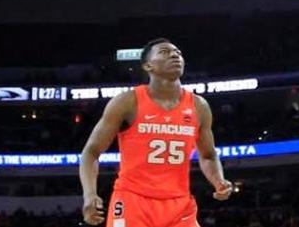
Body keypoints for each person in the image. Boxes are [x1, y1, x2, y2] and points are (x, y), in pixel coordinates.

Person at [79, 38, 234, 226]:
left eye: (178, 52)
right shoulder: (127, 102)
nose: (175, 55)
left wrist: (218, 180)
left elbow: (208, 155)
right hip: (133, 200)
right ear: (148, 66)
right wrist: (90, 194)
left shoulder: (199, 106)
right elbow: (91, 152)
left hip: (179, 203)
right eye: (164, 52)